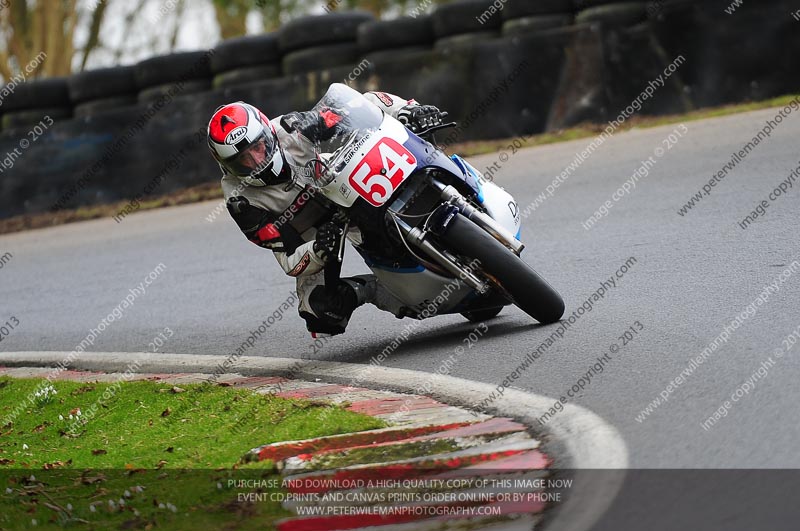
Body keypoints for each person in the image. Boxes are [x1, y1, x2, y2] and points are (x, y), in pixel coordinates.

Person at [206, 87, 447, 337]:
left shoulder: (293, 129)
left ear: (269, 133)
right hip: (317, 230)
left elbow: (356, 106)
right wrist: (319, 250)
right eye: (241, 160)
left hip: (348, 187)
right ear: (225, 166)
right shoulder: (241, 202)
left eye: (258, 147)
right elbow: (288, 259)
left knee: (403, 133)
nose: (256, 161)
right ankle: (378, 290)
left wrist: (404, 110)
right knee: (321, 312)